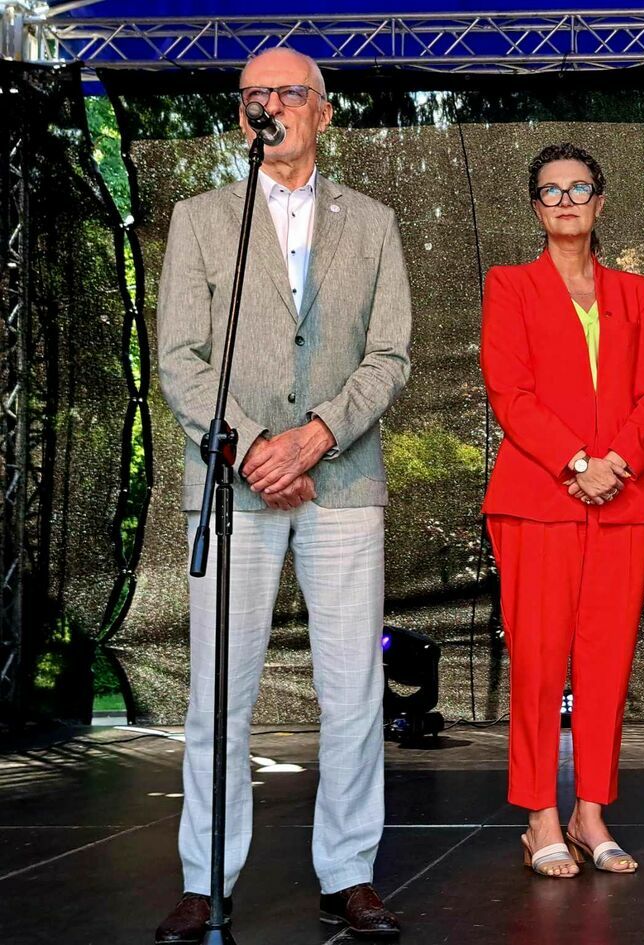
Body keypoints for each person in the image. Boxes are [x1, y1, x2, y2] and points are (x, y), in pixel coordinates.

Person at [154, 47, 411, 942]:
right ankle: (205, 878)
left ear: (323, 112)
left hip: (342, 480)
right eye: (254, 95)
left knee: (353, 692)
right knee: (218, 695)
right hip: (234, 485)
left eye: (289, 93)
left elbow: (390, 353)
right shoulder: (202, 219)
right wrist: (255, 446)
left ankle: (349, 874)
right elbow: (180, 357)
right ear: (242, 117)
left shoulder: (372, 221)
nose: (271, 105)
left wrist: (316, 436)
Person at [480, 143, 644, 878]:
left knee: (606, 661)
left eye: (579, 187)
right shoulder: (510, 285)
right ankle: (539, 819)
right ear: (537, 207)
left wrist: (615, 463)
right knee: (537, 661)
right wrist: (575, 463)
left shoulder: (635, 292)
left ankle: (590, 814)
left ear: (599, 202)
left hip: (625, 498)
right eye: (552, 190)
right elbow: (510, 392)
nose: (566, 200)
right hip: (538, 498)